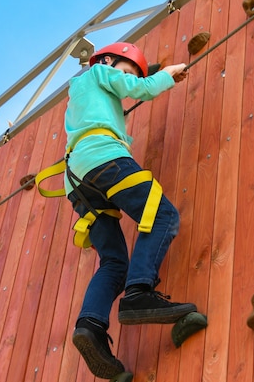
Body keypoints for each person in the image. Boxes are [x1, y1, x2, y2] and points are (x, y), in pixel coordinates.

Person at [64, 42, 196, 379]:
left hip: (78, 180)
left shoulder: (83, 97)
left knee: (113, 262)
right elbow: (141, 88)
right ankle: (139, 294)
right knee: (163, 215)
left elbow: (129, 89)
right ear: (108, 61)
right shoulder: (99, 71)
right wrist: (164, 76)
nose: (127, 80)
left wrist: (144, 79)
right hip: (104, 159)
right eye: (126, 70)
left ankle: (90, 326)